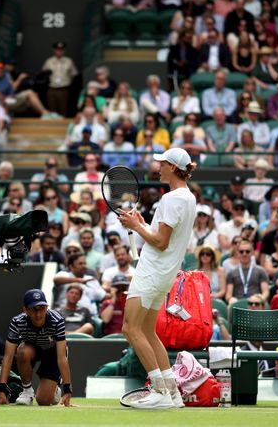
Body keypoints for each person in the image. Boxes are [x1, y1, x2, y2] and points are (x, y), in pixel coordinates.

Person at [116, 147, 196, 409]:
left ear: (173, 167)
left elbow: (161, 243)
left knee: (130, 328)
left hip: (152, 271)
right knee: (148, 331)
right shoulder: (188, 198)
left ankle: (159, 391)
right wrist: (142, 224)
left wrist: (136, 227)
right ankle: (172, 394)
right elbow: (164, 238)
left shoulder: (173, 199)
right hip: (163, 273)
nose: (158, 167)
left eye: (162, 163)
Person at [0, 289, 72, 406]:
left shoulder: (57, 321)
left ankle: (55, 388)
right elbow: (8, 357)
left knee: (44, 401)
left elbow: (62, 357)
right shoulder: (17, 322)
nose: (38, 314)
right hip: (32, 348)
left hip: (52, 351)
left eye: (41, 308)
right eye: (33, 309)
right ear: (25, 310)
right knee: (22, 351)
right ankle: (27, 391)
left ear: (46, 308)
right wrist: (1, 390)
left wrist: (68, 389)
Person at [225, 240, 270, 304]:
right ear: (237, 253)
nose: (244, 254)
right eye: (241, 251)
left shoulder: (261, 271)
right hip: (238, 304)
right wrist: (230, 299)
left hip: (256, 304)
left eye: (247, 251)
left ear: (252, 253)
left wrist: (260, 298)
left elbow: (266, 292)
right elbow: (228, 295)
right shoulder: (231, 273)